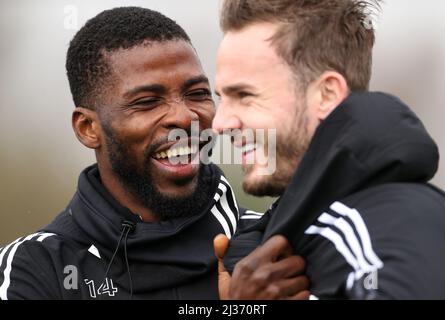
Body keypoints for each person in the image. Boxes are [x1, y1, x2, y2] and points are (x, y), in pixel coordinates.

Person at [0, 7, 309, 300]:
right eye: (148, 101)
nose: (184, 116)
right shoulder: (37, 267)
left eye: (197, 94)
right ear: (88, 128)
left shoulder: (277, 247)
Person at [212, 0, 445, 299]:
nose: (220, 123)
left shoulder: (402, 224)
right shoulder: (297, 230)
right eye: (222, 98)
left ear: (326, 94)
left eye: (244, 95)